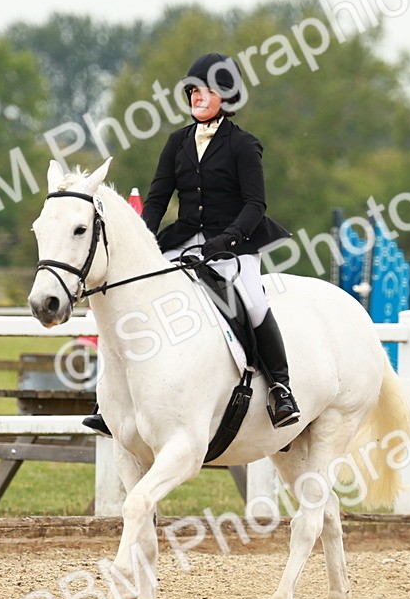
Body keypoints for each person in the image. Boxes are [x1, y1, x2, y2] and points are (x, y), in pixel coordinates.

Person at [83, 52, 301, 436]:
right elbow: (156, 199)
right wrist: (141, 240)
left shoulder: (244, 145)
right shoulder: (177, 142)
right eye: (193, 91)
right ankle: (111, 400)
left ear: (226, 97)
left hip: (234, 244)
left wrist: (226, 239)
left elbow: (255, 204)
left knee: (251, 300)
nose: (198, 97)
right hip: (182, 240)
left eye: (207, 91)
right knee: (129, 298)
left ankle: (282, 389)